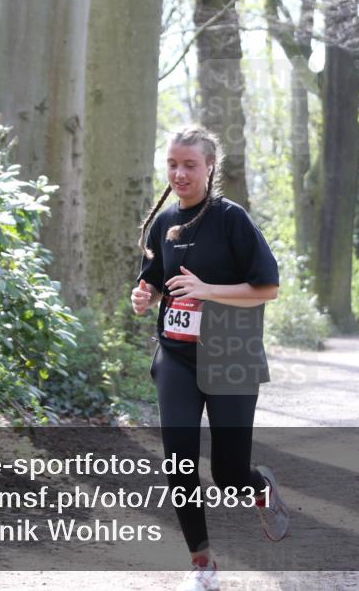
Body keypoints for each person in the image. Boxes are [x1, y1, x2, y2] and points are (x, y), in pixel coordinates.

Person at [131, 126, 289, 591]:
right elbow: (154, 283)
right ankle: (202, 565)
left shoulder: (230, 218)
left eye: (190, 165)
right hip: (177, 359)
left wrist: (208, 291)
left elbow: (268, 287)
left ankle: (259, 487)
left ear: (210, 167)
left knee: (228, 474)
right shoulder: (163, 223)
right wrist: (142, 298)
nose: (180, 173)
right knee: (178, 464)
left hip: (232, 355)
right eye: (172, 165)